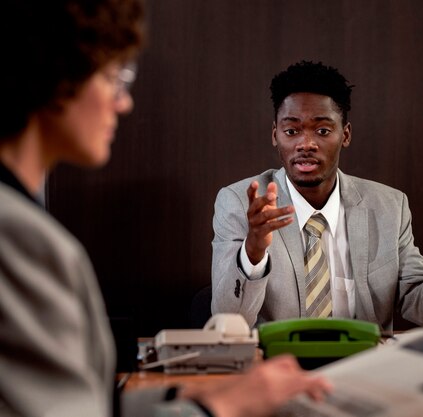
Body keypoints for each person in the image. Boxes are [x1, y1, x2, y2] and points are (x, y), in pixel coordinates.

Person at [0, 2, 329, 417]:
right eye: (114, 78)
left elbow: (81, 405)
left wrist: (185, 398)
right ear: (57, 76)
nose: (124, 104)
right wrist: (219, 408)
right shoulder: (18, 238)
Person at [211, 60, 423, 330]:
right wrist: (252, 253)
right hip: (276, 376)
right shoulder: (240, 203)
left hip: (362, 373)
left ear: (344, 135)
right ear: (275, 135)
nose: (306, 144)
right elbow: (228, 323)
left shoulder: (389, 207)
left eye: (322, 130)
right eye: (292, 130)